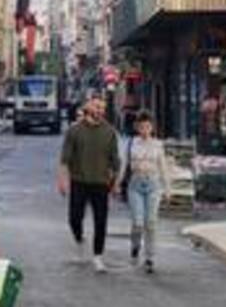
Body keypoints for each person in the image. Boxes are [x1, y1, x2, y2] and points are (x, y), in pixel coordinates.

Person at [58, 95, 120, 273]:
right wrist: (62, 181)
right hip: (79, 181)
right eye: (96, 107)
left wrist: (115, 184)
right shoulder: (75, 131)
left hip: (101, 183)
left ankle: (98, 256)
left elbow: (115, 161)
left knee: (101, 221)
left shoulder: (109, 132)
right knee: (74, 218)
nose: (99, 110)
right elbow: (64, 160)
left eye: (102, 107)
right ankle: (79, 238)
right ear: (88, 107)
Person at [121, 110, 169, 274]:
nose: (145, 130)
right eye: (141, 127)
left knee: (151, 223)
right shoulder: (131, 143)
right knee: (138, 222)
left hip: (153, 185)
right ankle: (135, 246)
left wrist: (167, 188)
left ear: (152, 127)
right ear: (137, 127)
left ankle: (150, 258)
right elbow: (124, 165)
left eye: (147, 127)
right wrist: (117, 183)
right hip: (135, 184)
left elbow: (163, 167)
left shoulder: (158, 145)